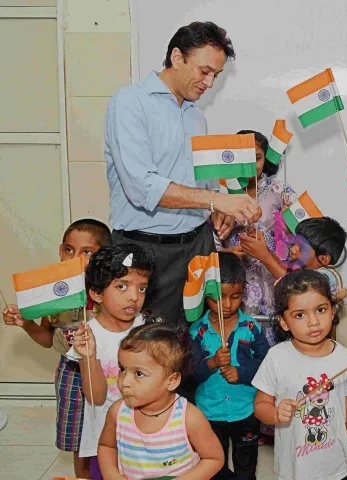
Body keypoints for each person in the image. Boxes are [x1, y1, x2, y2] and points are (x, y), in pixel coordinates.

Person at [105, 21, 261, 325]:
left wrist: (217, 209)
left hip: (196, 246)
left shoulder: (195, 116)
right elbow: (141, 187)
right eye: (204, 71)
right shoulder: (130, 103)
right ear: (177, 57)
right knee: (147, 352)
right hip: (146, 251)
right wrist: (215, 199)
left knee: (192, 347)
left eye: (216, 75)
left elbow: (198, 187)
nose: (209, 83)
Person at [3, 218, 110, 478]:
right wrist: (25, 323)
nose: (75, 258)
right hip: (70, 374)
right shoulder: (54, 294)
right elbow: (48, 339)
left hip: (105, 372)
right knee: (78, 442)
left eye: (87, 252)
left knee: (110, 437)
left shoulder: (109, 290)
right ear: (60, 251)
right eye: (69, 249)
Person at [252, 269, 347, 480]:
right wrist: (275, 413)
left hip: (337, 468)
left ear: (333, 311)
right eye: (300, 315)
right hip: (294, 469)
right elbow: (260, 406)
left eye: (321, 310)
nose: (313, 321)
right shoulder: (276, 358)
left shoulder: (346, 360)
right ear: (284, 322)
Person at [67, 244, 154, 480]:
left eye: (142, 288)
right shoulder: (88, 337)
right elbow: (96, 396)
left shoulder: (149, 330)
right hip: (106, 441)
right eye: (122, 286)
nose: (134, 297)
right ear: (96, 294)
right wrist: (89, 357)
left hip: (147, 438)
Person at [97, 322, 224, 479]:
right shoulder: (118, 412)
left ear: (171, 381)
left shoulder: (189, 418)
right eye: (122, 369)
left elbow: (214, 458)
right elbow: (106, 446)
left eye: (139, 374)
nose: (124, 382)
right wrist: (112, 474)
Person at [189, 252, 270, 479]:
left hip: (245, 408)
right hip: (209, 411)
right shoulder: (197, 331)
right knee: (214, 466)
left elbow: (265, 364)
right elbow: (190, 373)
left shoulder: (251, 327)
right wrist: (212, 362)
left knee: (246, 466)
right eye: (218, 297)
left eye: (235, 296)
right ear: (205, 294)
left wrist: (242, 373)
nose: (227, 304)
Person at [215, 129, 297, 318]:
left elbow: (302, 238)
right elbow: (208, 241)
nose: (250, 166)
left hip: (274, 277)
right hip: (234, 285)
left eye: (257, 158)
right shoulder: (220, 196)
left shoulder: (281, 191)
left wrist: (288, 225)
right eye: (242, 159)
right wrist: (226, 254)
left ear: (265, 160)